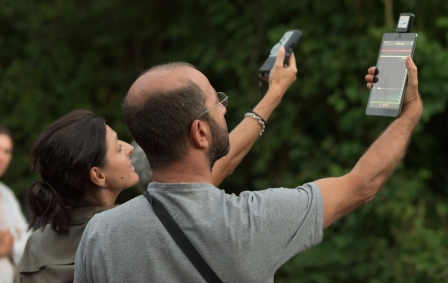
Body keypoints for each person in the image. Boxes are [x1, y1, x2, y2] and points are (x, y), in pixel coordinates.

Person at [74, 46, 422, 282]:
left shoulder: (101, 235)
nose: (224, 109)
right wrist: (410, 112)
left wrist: (272, 96)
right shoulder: (252, 222)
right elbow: (362, 184)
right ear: (200, 133)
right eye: (217, 103)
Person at [18, 56, 296, 282]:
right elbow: (224, 162)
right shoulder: (117, 235)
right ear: (98, 176)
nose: (129, 147)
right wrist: (275, 93)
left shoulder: (34, 247)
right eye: (117, 147)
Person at [0, 125, 30, 282]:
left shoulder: (7, 194)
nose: (2, 157)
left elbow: (27, 240)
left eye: (7, 151)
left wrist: (10, 245)